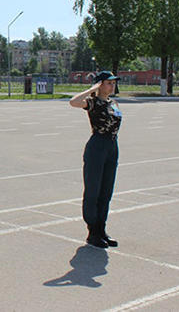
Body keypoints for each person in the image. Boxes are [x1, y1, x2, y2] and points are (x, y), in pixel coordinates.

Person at [69, 71, 122, 249]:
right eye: (108, 82)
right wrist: (92, 89)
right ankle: (92, 232)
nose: (112, 86)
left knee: (106, 190)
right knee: (93, 190)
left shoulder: (113, 103)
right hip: (97, 145)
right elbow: (73, 102)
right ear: (100, 84)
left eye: (113, 83)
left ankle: (101, 229)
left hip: (112, 146)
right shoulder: (92, 102)